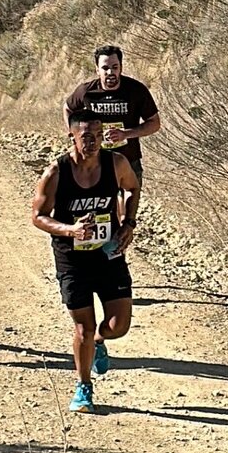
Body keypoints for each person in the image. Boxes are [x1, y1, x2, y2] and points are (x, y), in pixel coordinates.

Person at [30, 113, 141, 414]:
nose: (93, 142)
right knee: (83, 329)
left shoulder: (116, 163)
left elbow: (132, 187)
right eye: (86, 136)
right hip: (72, 259)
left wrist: (128, 223)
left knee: (119, 326)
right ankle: (83, 388)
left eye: (98, 135)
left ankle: (100, 341)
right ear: (72, 136)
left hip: (108, 253)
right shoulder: (57, 172)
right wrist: (70, 230)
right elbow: (37, 216)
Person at [64, 44, 160, 187]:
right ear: (97, 69)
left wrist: (126, 134)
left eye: (115, 67)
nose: (110, 72)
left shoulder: (136, 90)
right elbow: (67, 108)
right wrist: (76, 135)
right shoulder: (86, 91)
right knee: (100, 207)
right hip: (95, 161)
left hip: (128, 160)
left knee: (129, 207)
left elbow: (154, 123)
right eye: (105, 68)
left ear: (121, 67)